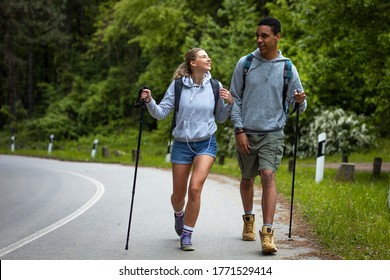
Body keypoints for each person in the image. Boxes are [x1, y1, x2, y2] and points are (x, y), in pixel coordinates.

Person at [140, 48, 234, 251]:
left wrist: (230, 104)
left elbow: (220, 117)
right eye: (203, 56)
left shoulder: (215, 86)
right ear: (193, 62)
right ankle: (179, 214)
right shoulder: (178, 86)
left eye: (207, 56)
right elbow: (161, 112)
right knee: (178, 196)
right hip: (182, 144)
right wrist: (149, 101)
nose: (208, 58)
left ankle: (187, 234)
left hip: (206, 142)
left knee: (195, 188)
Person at [229, 17, 307, 254]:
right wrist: (239, 130)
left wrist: (300, 101)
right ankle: (248, 220)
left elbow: (298, 106)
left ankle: (268, 232)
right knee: (247, 178)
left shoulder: (287, 68)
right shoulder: (245, 63)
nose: (259, 40)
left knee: (268, 174)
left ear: (277, 37)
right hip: (247, 132)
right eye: (258, 35)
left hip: (273, 133)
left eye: (264, 36)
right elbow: (235, 99)